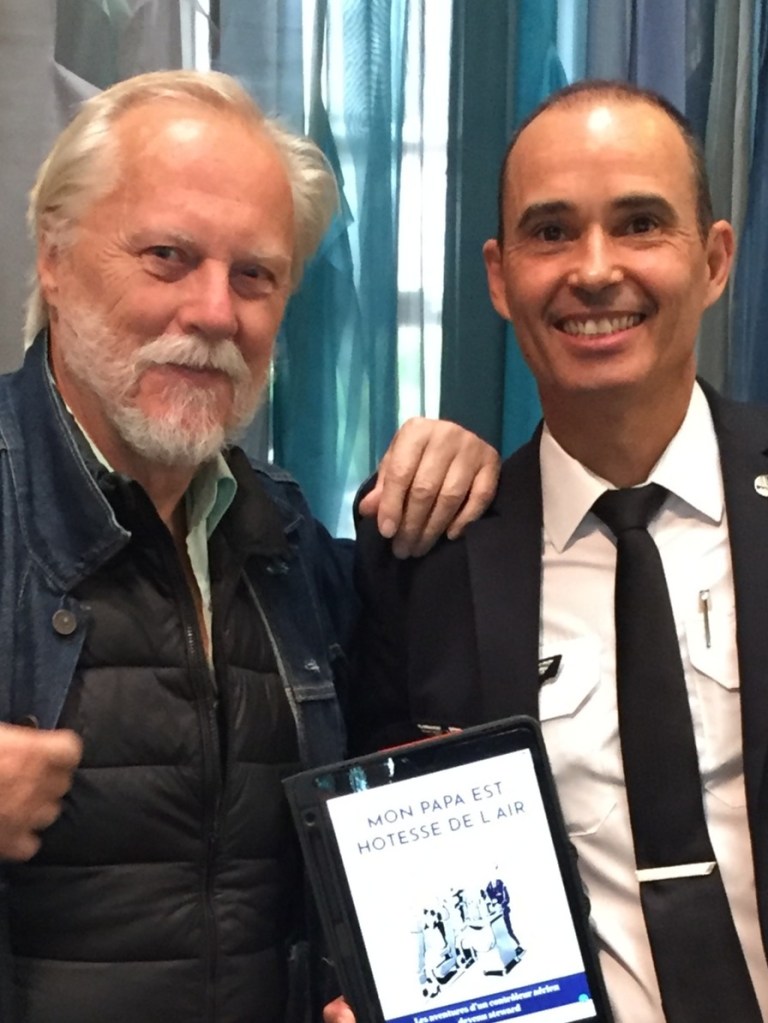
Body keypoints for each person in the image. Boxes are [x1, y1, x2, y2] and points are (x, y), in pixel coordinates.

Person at [0, 69, 501, 1023]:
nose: (215, 312)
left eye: (255, 276)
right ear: (54, 259)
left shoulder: (285, 540)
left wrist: (460, 474)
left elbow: (400, 778)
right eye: (167, 256)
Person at [346, 80, 768, 1023]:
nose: (595, 269)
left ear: (714, 260)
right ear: (500, 278)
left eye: (640, 223)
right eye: (552, 231)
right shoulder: (429, 554)